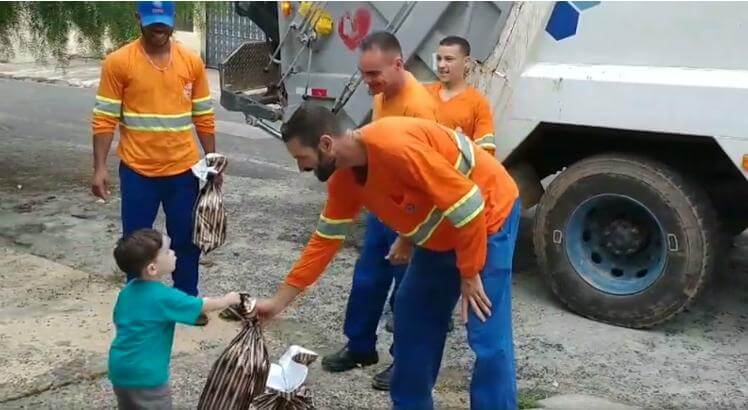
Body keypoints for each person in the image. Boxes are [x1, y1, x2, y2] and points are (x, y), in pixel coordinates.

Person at [257, 104, 521, 409]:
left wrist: (470, 272)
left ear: (326, 144)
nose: (301, 168)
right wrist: (277, 303)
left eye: (302, 158)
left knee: (485, 331)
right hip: (446, 230)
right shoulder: (345, 180)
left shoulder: (394, 147)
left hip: (487, 215)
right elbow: (324, 242)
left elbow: (467, 204)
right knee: (411, 316)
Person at [321, 31, 439, 390]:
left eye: (374, 75)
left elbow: (425, 183)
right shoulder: (384, 93)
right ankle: (360, 347)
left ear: (398, 64)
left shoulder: (419, 108)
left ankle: (404, 362)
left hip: (410, 211)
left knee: (407, 291)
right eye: (363, 73)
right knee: (368, 277)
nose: (367, 82)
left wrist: (407, 238)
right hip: (385, 206)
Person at [91, 1, 219, 325]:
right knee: (136, 245)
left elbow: (203, 115)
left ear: (174, 20)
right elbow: (104, 119)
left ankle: (188, 303)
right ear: (138, 19)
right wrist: (100, 168)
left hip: (183, 173)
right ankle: (139, 307)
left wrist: (212, 162)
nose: (159, 30)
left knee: (187, 241)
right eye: (152, 23)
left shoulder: (191, 62)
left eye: (164, 23)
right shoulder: (119, 62)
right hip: (138, 173)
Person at [108, 229, 240, 410]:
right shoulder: (163, 296)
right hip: (146, 376)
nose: (173, 253)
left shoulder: (128, 291)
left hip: (120, 369)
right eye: (167, 251)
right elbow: (202, 305)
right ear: (152, 268)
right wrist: (228, 300)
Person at [426, 36, 496, 155]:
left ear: (466, 62)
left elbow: (486, 154)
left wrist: (463, 145)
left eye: (449, 59)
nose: (441, 65)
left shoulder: (478, 104)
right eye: (439, 59)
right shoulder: (422, 93)